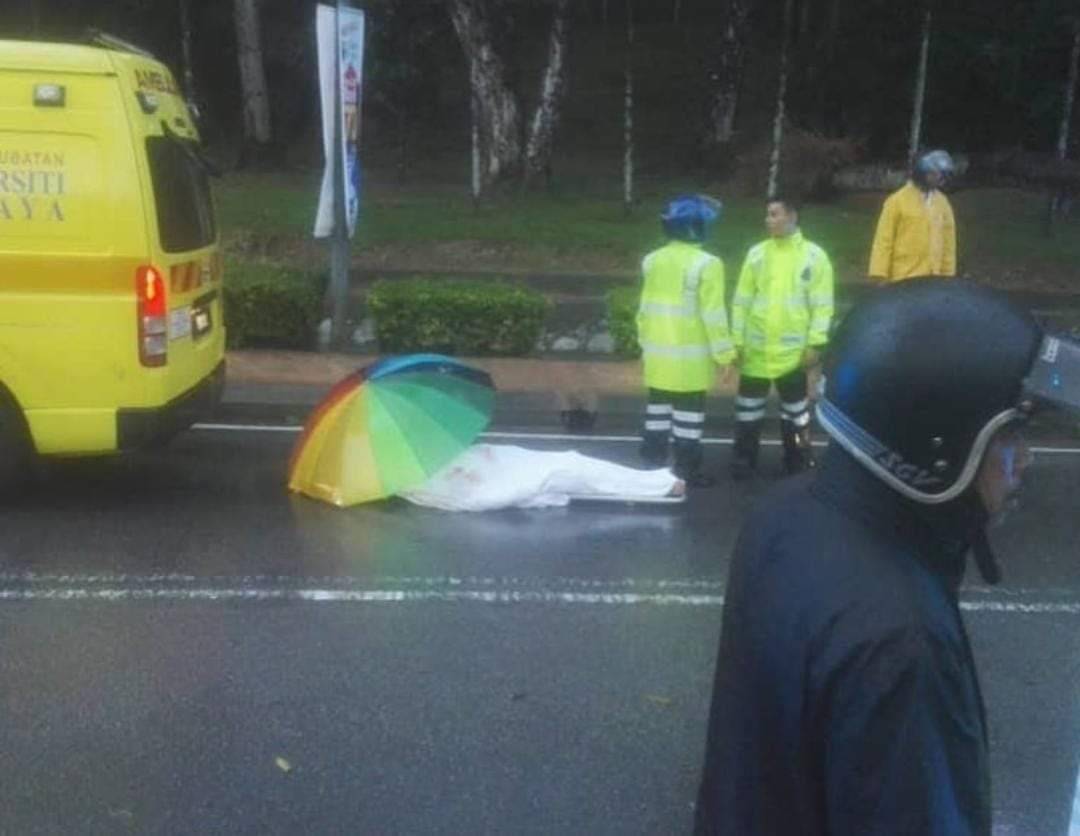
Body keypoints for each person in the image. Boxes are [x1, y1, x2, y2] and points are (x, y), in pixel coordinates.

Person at [694, 279, 1080, 835]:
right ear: (939, 444)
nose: (1024, 460)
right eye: (1011, 435)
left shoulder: (784, 514)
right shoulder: (901, 640)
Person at [729, 196, 834, 479]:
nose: (768, 220)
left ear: (792, 216)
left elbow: (822, 305)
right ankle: (743, 458)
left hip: (792, 355)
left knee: (797, 415)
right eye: (767, 215)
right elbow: (741, 301)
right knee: (748, 412)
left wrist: (816, 343)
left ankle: (798, 459)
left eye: (774, 214)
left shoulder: (814, 257)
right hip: (756, 351)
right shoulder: (757, 254)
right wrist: (736, 341)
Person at [637, 195, 734, 487]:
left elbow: (644, 310)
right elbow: (713, 314)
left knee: (657, 413)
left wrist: (645, 346)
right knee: (688, 418)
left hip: (657, 356)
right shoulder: (707, 264)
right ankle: (686, 470)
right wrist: (725, 355)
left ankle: (652, 465)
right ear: (696, 227)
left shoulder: (651, 260)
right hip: (690, 360)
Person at [868, 149, 957, 282]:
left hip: (934, 278)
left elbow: (948, 243)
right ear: (921, 173)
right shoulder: (897, 201)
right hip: (903, 278)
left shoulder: (942, 203)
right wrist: (879, 274)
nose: (939, 178)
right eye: (934, 173)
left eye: (941, 174)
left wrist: (948, 276)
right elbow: (883, 240)